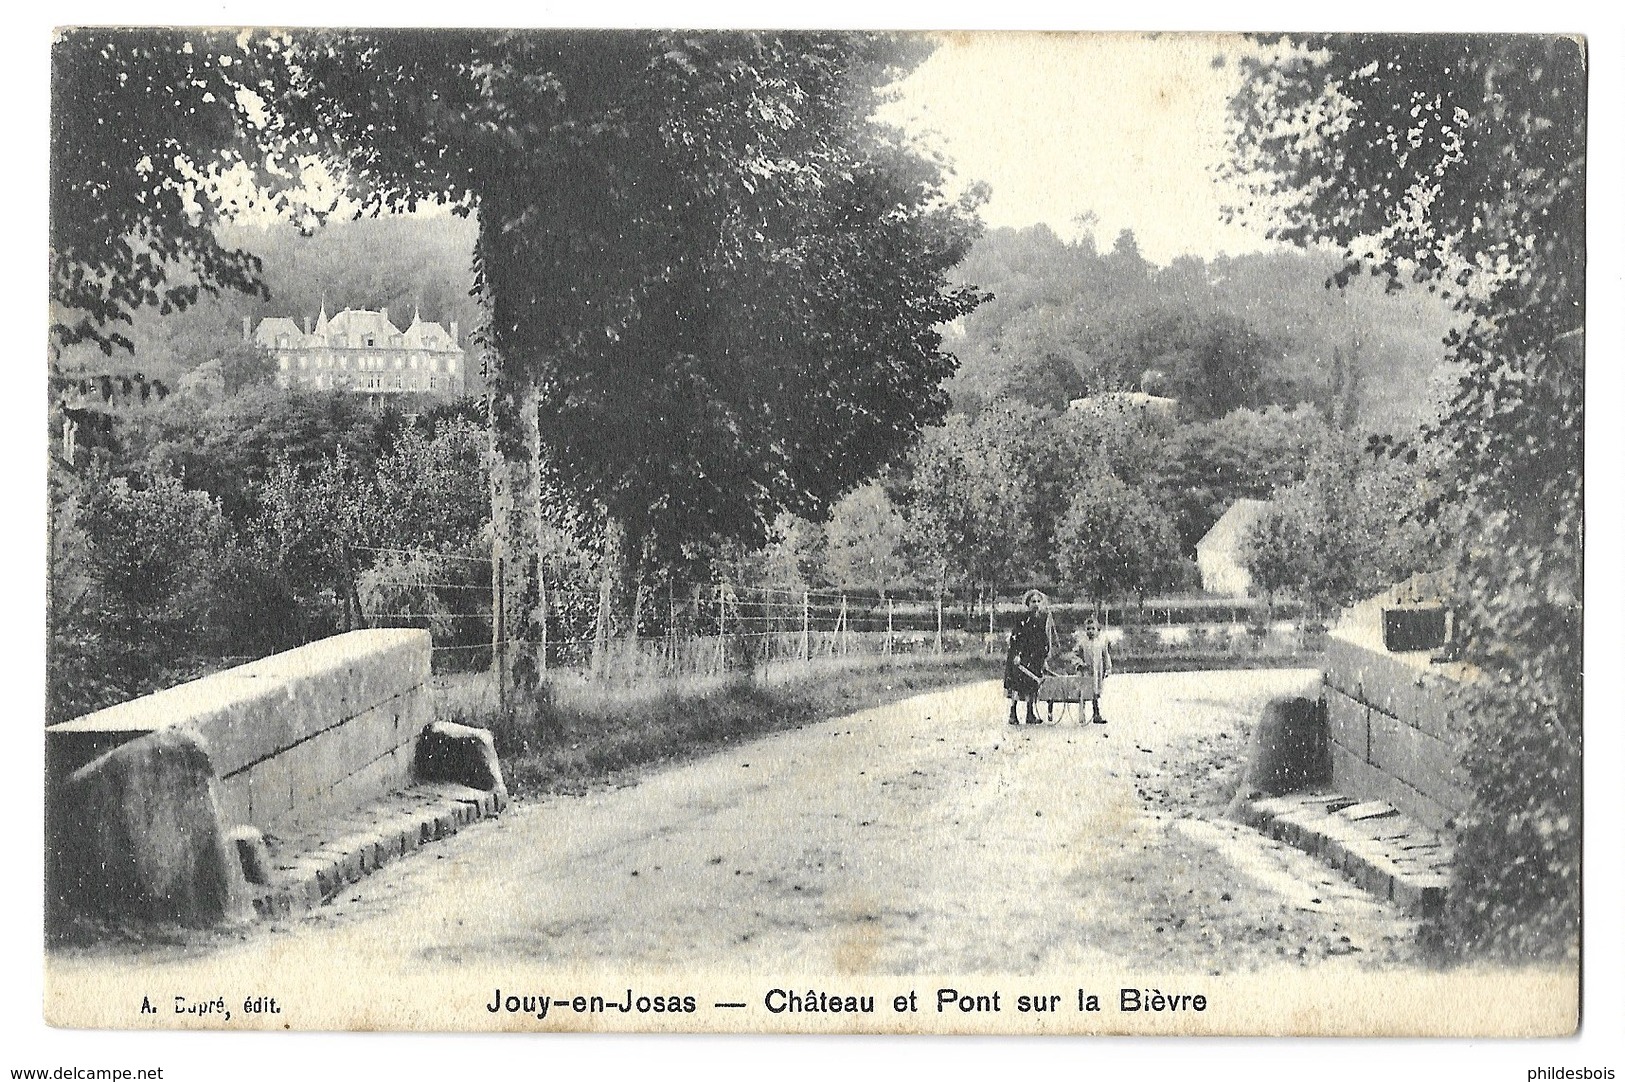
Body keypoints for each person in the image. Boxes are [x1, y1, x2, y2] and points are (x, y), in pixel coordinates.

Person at [1004, 589, 1058, 725]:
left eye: (1038, 601)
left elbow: (1043, 640)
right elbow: (1015, 637)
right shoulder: (1022, 618)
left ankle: (1030, 714)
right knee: (1016, 685)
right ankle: (1013, 713)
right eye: (1033, 601)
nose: (1036, 604)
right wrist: (1016, 655)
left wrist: (1044, 658)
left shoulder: (1041, 620)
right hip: (1021, 657)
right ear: (1028, 603)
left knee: (1032, 685)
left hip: (1034, 657)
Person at [1077, 614, 1112, 724]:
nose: (1091, 631)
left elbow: (1106, 655)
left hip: (1097, 670)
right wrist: (1080, 663)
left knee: (1096, 692)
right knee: (1084, 693)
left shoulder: (1101, 642)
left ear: (1098, 630)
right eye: (1088, 629)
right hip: (1086, 671)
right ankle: (1082, 714)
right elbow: (1074, 654)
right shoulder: (1082, 642)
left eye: (1093, 629)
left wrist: (1108, 668)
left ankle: (1096, 714)